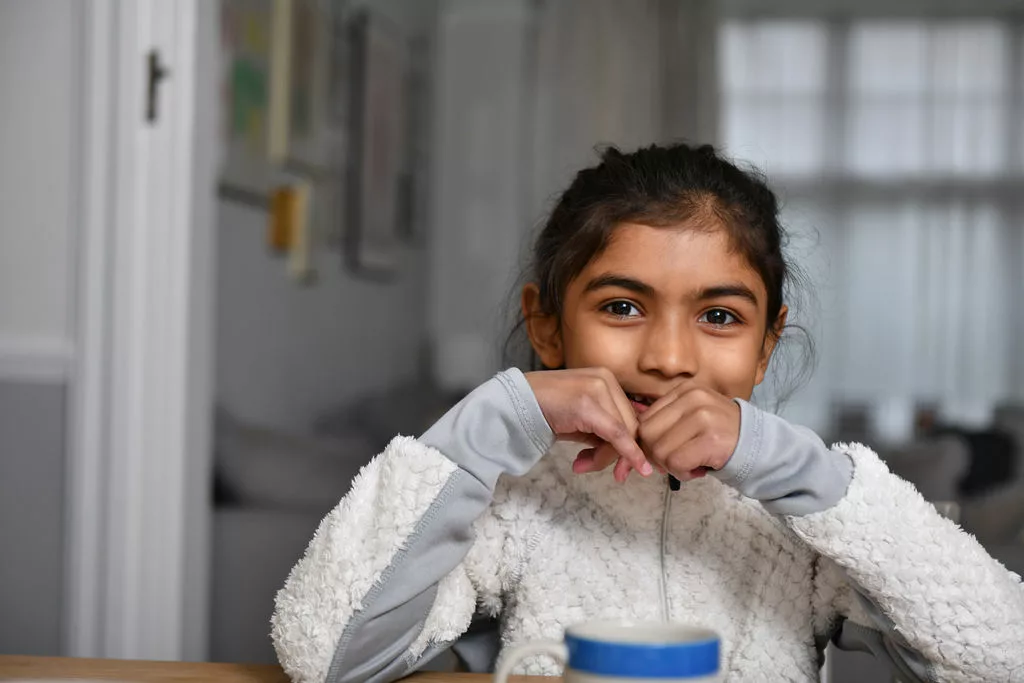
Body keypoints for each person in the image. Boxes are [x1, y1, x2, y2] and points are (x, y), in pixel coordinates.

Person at [271, 143, 1024, 683]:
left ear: (766, 346)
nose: (668, 356)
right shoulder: (510, 499)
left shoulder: (808, 516)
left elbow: (1002, 653)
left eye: (720, 317)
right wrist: (489, 423)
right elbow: (325, 651)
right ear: (547, 325)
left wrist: (793, 465)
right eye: (623, 306)